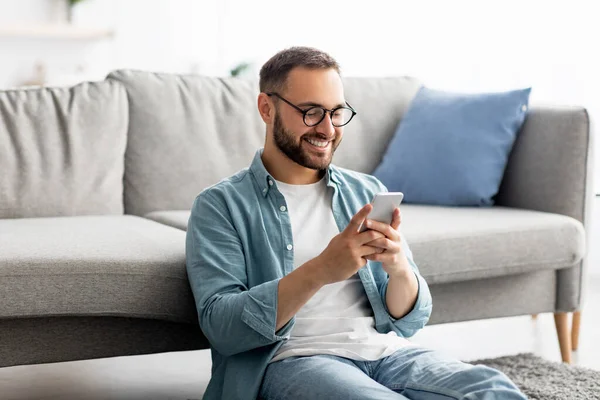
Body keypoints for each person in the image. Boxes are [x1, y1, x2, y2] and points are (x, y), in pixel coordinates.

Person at [185, 46, 526, 400]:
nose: (327, 128)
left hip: (384, 352)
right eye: (311, 112)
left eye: (336, 112)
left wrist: (398, 268)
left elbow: (408, 321)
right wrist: (321, 269)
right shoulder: (221, 205)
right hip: (294, 360)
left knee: (493, 388)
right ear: (267, 108)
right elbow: (222, 326)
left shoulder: (366, 191)